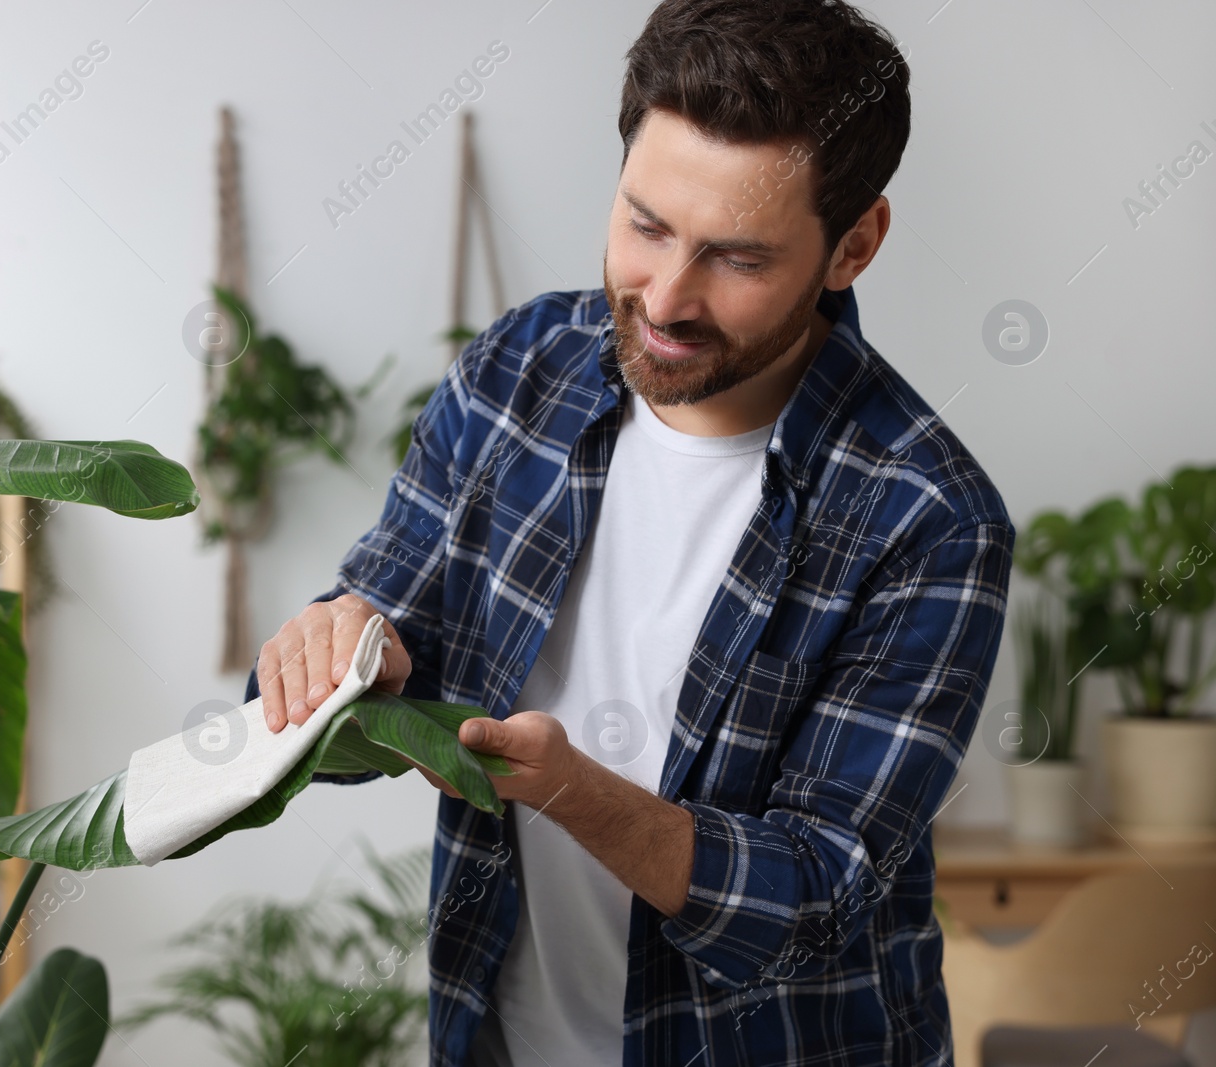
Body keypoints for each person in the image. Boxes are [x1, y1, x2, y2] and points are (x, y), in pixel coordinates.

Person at [244, 1, 1013, 1063]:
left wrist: (574, 791)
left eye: (736, 258)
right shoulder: (519, 367)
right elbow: (368, 655)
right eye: (645, 224)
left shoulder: (927, 516)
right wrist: (329, 655)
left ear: (854, 245)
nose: (664, 296)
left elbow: (815, 901)